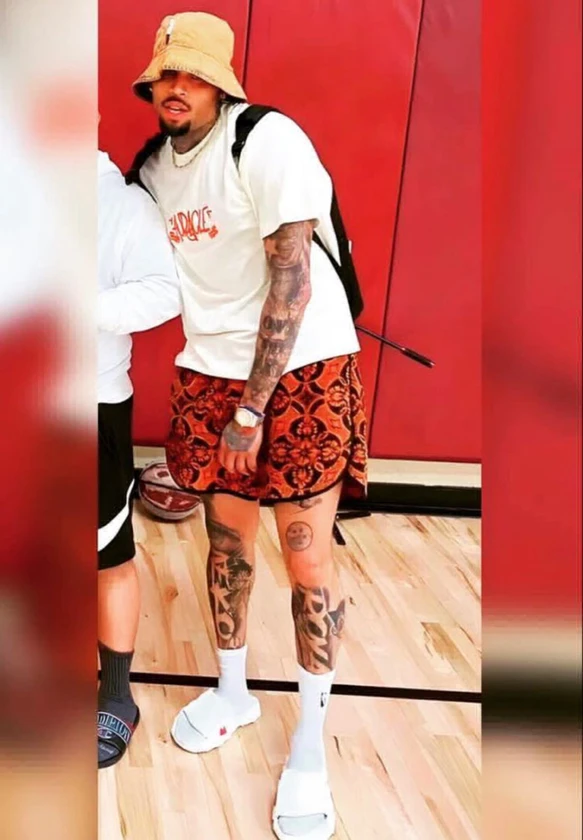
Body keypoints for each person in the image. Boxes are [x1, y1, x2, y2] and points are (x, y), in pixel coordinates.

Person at [130, 12, 367, 839]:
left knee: (305, 559)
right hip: (209, 369)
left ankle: (309, 743)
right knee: (225, 546)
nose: (175, 87)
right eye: (165, 74)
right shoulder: (152, 170)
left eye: (192, 74)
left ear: (220, 83)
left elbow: (291, 283)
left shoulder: (266, 141)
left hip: (300, 368)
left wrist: (250, 410)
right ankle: (232, 691)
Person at [97, 146, 181, 768]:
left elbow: (164, 290)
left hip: (90, 399)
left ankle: (117, 695)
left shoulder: (123, 205)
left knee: (106, 552)